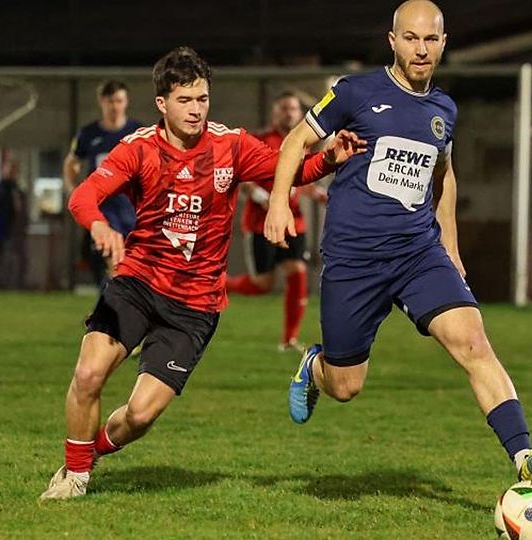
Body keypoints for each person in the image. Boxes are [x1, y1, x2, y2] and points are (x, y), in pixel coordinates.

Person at [40, 46, 365, 500]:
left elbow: (289, 171)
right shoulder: (138, 149)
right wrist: (98, 224)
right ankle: (74, 478)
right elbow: (83, 197)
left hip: (195, 305)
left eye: (202, 99)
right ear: (162, 104)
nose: (196, 110)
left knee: (140, 417)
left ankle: (88, 451)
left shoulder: (230, 146)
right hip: (137, 282)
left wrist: (330, 159)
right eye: (185, 100)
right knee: (89, 373)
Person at [264, 0, 532, 484]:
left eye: (430, 39)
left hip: (416, 253)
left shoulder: (444, 108)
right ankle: (315, 364)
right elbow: (295, 141)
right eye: (411, 38)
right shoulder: (355, 92)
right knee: (346, 386)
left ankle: (524, 458)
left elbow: (445, 177)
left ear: (444, 43)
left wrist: (451, 246)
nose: (421, 49)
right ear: (392, 40)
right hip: (355, 258)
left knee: (473, 341)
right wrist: (280, 203)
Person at [226, 91, 328, 352]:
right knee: (263, 284)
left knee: (298, 272)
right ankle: (216, 284)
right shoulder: (260, 140)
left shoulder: (303, 142)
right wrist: (264, 197)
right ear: (275, 112)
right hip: (262, 222)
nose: (290, 113)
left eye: (293, 109)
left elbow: (303, 181)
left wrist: (319, 196)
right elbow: (242, 176)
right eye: (284, 108)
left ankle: (290, 339)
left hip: (294, 221)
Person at [64, 80, 143, 287]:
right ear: (102, 102)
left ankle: (112, 312)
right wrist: (75, 193)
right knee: (114, 265)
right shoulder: (89, 134)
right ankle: (114, 313)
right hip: (104, 213)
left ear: (126, 102)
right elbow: (71, 162)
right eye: (110, 101)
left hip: (134, 212)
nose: (115, 106)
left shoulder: (138, 132)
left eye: (119, 101)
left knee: (134, 272)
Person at [0, 156, 27, 289]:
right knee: (1, 257)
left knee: (15, 257)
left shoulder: (17, 189)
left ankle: (14, 284)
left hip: (15, 229)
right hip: (1, 229)